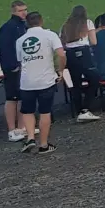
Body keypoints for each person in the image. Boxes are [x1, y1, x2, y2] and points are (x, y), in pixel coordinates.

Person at [14, 12, 65, 154]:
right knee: (45, 112)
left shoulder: (20, 41)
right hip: (45, 81)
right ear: (41, 21)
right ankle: (43, 144)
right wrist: (60, 70)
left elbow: (20, 60)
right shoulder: (50, 35)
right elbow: (61, 54)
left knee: (27, 111)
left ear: (26, 24)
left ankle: (30, 138)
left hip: (26, 82)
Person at [59, 5, 100, 123]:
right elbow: (94, 41)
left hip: (70, 55)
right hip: (84, 53)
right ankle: (86, 108)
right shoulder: (87, 23)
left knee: (76, 83)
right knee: (94, 78)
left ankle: (79, 110)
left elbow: (62, 44)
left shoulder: (65, 26)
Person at [0, 0, 29, 141]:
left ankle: (22, 127)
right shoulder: (8, 27)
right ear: (13, 12)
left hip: (24, 67)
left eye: (25, 10)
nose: (24, 13)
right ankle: (11, 130)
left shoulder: (24, 26)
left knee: (23, 97)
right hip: (12, 68)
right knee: (12, 98)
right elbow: (4, 49)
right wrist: (13, 66)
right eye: (20, 10)